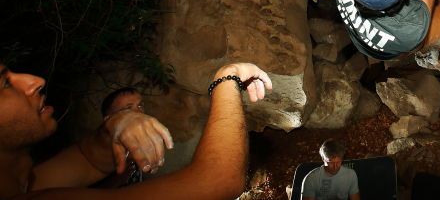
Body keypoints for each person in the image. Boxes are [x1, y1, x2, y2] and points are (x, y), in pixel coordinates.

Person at [0, 61, 271, 200]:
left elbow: (88, 158)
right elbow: (217, 182)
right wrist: (226, 78)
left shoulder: (27, 182)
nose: (35, 81)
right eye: (4, 85)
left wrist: (116, 122)